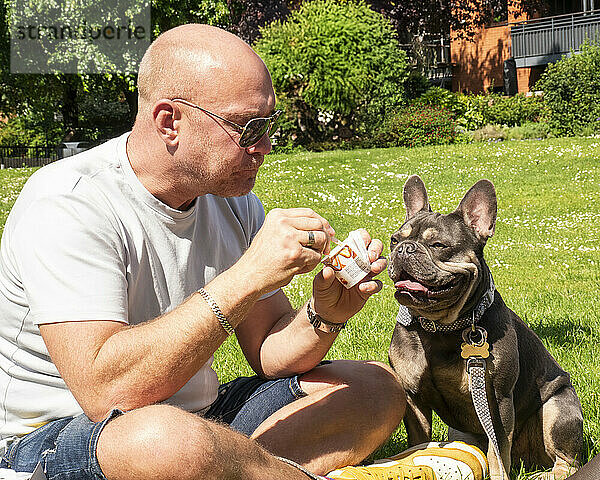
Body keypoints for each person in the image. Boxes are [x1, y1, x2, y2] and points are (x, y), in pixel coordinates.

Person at [0, 24, 487, 480]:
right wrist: (248, 275)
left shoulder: (229, 201)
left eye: (269, 125)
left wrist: (324, 315)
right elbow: (108, 392)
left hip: (200, 417)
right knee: (164, 442)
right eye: (247, 128)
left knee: (377, 389)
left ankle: (229, 465)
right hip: (65, 436)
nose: (266, 145)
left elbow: (270, 353)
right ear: (169, 122)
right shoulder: (70, 203)